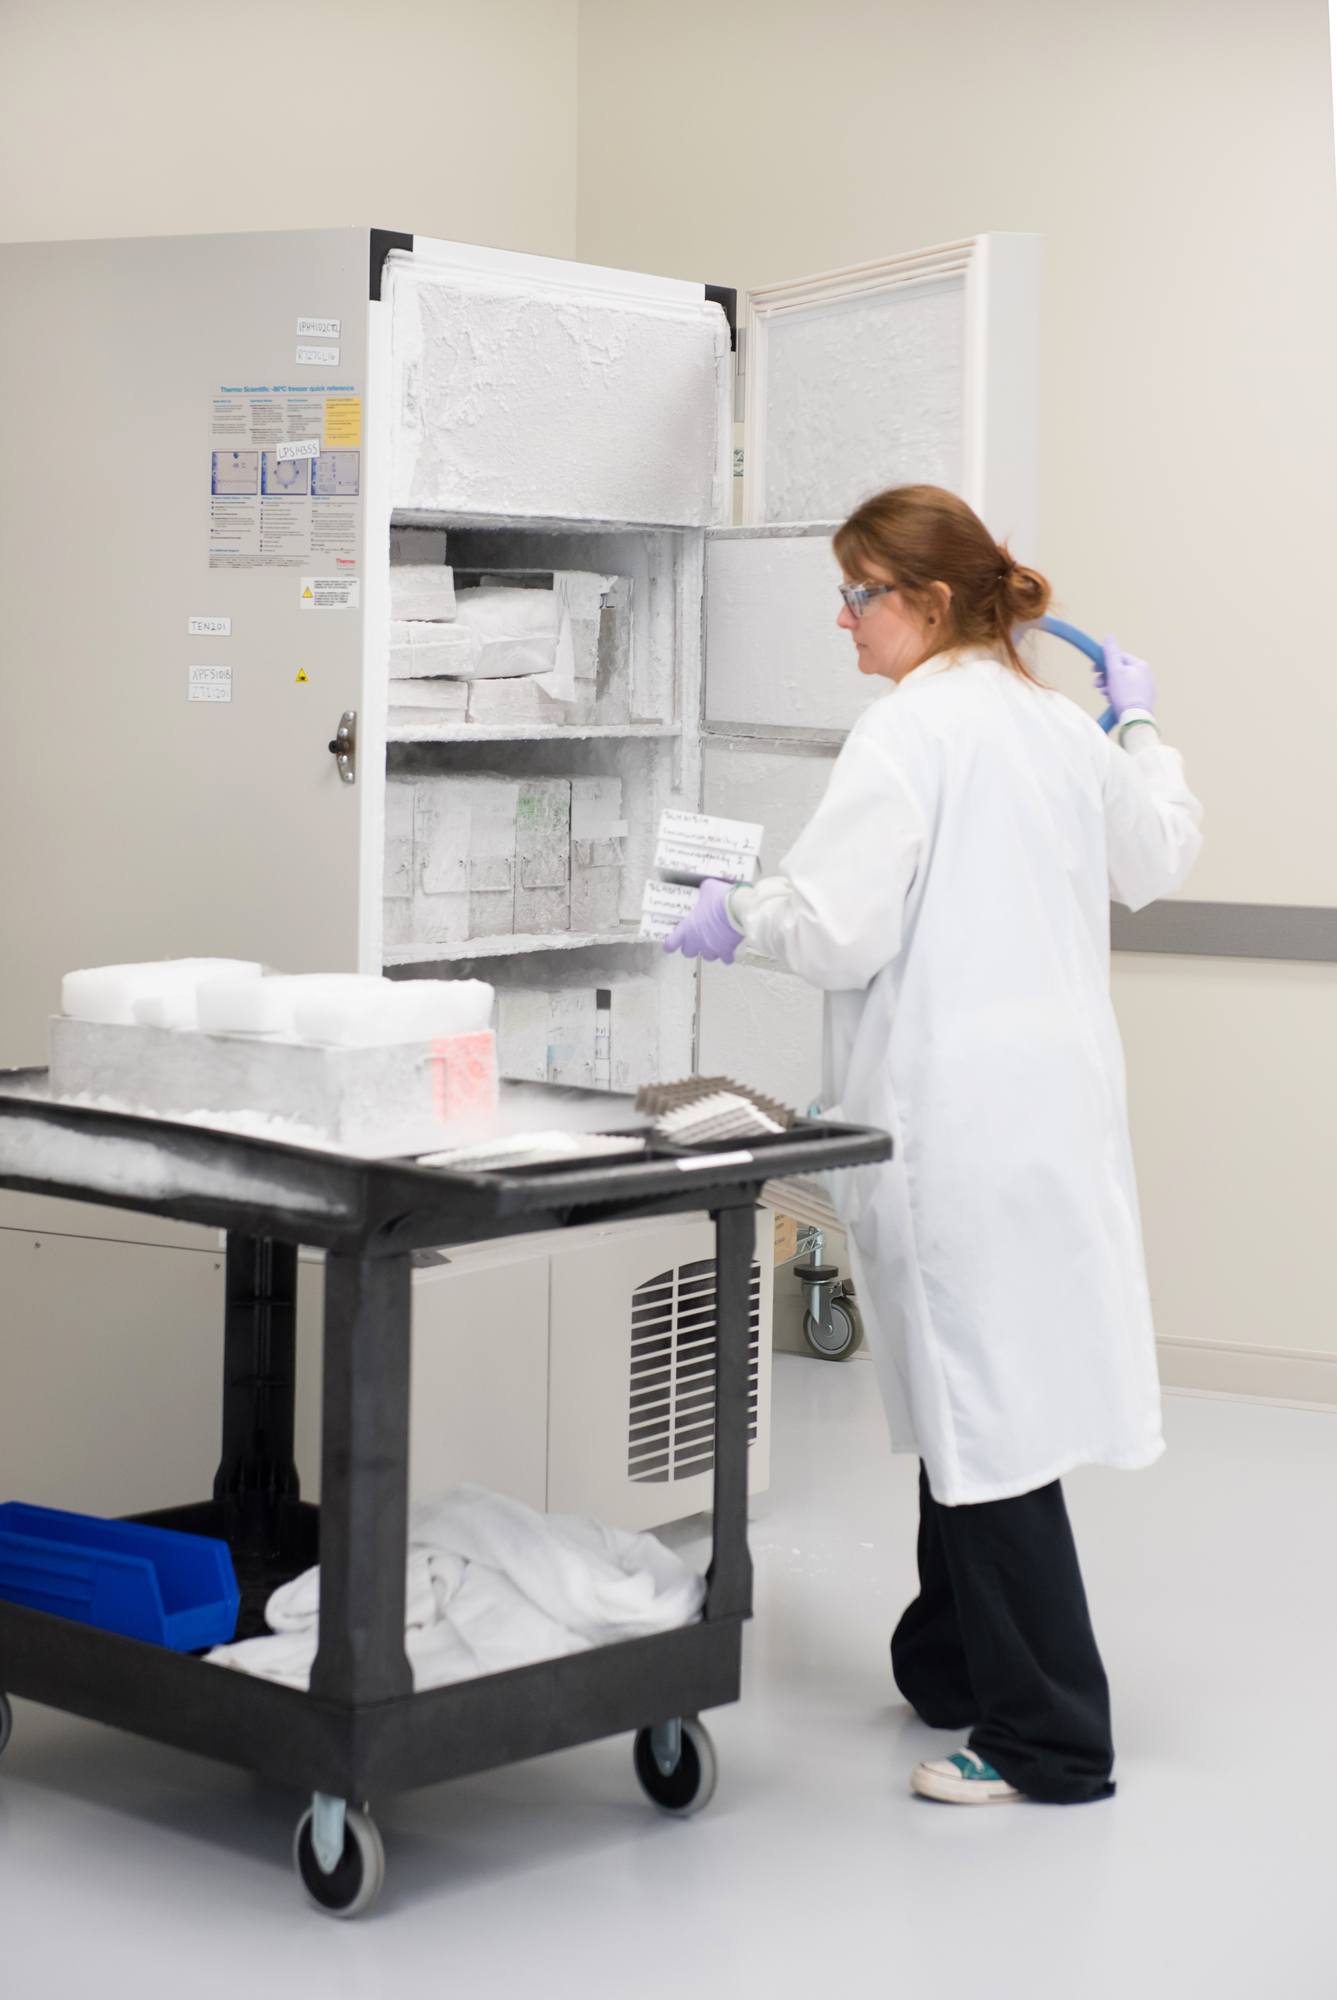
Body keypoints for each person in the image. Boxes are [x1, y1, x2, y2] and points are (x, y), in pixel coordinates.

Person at [664, 484, 1202, 1807]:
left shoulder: (909, 733)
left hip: (955, 1123)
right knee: (974, 1402)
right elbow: (1160, 853)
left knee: (982, 1414)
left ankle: (1049, 1741)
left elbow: (841, 925)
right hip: (1044, 1122)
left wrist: (741, 918)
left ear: (930, 601)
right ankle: (947, 1663)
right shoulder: (1057, 727)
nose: (841, 619)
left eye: (860, 594)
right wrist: (1137, 717)